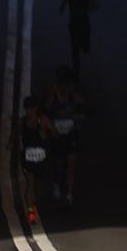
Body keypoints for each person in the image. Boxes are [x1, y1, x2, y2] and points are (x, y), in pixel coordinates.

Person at [45, 65, 84, 205]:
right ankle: (56, 183)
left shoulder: (75, 97)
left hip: (70, 134)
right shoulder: (53, 95)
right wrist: (51, 128)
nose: (69, 89)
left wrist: (76, 116)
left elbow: (83, 113)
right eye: (66, 86)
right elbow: (45, 112)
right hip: (57, 135)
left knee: (71, 163)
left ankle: (69, 194)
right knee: (58, 162)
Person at [15, 96, 54, 225]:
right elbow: (14, 137)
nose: (30, 111)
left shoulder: (43, 120)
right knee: (30, 183)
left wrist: (45, 133)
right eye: (28, 109)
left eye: (32, 108)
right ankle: (31, 213)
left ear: (36, 108)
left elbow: (54, 133)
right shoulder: (22, 122)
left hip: (41, 158)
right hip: (28, 158)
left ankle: (34, 205)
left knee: (39, 185)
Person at [58, 0, 97, 75]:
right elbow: (62, 5)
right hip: (75, 22)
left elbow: (94, 5)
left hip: (83, 21)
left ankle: (82, 49)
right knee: (74, 47)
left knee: (85, 47)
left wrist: (85, 10)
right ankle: (76, 69)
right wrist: (62, 9)